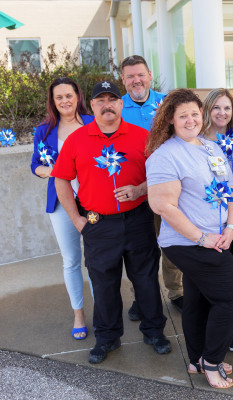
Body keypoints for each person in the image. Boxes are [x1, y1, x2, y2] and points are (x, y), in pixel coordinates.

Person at [51, 81, 170, 364]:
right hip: (98, 224)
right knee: (104, 284)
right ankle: (107, 338)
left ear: (121, 103)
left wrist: (140, 190)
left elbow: (161, 176)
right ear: (92, 105)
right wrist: (77, 220)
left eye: (112, 99)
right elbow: (61, 179)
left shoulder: (142, 136)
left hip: (138, 220)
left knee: (146, 279)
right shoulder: (77, 140)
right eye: (101, 100)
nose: (107, 105)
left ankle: (154, 331)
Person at [146, 89, 233, 389]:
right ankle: (212, 361)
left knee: (198, 297)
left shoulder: (210, 147)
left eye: (194, 114)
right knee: (232, 293)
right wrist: (202, 238)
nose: (190, 120)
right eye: (183, 116)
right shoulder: (165, 155)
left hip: (217, 236)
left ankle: (196, 359)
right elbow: (163, 206)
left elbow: (231, 187)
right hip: (187, 242)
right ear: (170, 120)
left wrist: (231, 227)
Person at [30, 77, 95, 340]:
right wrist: (55, 171)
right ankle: (78, 314)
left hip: (93, 201)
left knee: (97, 260)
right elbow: (35, 165)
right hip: (60, 202)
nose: (65, 101)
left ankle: (103, 312)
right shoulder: (44, 131)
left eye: (69, 95)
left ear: (78, 96)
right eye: (59, 97)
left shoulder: (93, 122)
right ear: (53, 101)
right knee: (71, 260)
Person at [119, 55, 183, 318]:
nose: (136, 81)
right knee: (139, 250)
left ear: (150, 76)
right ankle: (140, 297)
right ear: (123, 80)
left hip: (166, 186)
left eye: (140, 75)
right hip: (133, 190)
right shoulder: (117, 107)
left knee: (171, 242)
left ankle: (177, 291)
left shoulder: (167, 104)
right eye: (130, 76)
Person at [201, 88, 233, 352]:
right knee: (212, 281)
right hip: (208, 224)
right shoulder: (195, 142)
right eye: (217, 107)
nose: (222, 112)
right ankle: (213, 326)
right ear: (207, 110)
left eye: (227, 108)